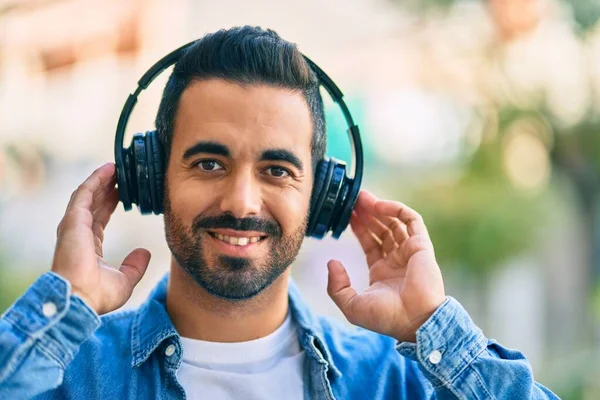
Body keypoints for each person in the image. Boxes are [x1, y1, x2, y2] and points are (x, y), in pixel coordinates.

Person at [0, 26, 558, 400]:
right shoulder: (64, 374)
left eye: (277, 170)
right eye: (210, 163)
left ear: (321, 198)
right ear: (148, 178)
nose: (243, 202)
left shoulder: (390, 382)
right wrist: (62, 306)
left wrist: (433, 326)